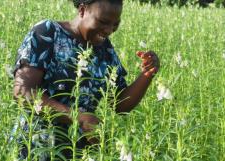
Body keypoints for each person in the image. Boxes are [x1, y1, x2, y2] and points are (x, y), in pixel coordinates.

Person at [13, 0, 160, 160]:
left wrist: (147, 73)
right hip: (35, 148)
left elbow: (120, 105)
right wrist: (78, 118)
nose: (109, 30)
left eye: (115, 25)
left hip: (79, 152)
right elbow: (23, 92)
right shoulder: (48, 32)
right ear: (82, 10)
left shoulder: (105, 50)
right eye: (103, 22)